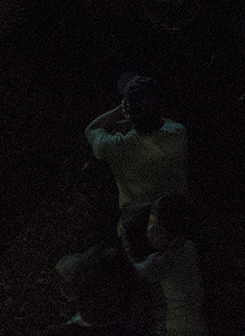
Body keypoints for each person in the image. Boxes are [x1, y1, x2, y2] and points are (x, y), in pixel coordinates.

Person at [86, 73, 188, 212]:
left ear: (127, 110)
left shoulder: (117, 147)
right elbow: (158, 122)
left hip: (136, 220)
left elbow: (92, 128)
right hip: (174, 215)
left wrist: (123, 107)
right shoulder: (179, 133)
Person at [129, 192, 206, 336]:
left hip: (180, 328)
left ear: (171, 232)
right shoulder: (188, 247)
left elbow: (135, 273)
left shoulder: (168, 258)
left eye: (157, 228)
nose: (149, 231)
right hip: (195, 323)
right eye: (150, 222)